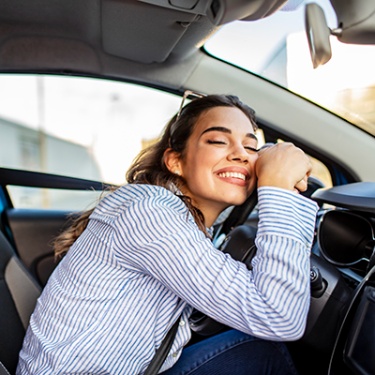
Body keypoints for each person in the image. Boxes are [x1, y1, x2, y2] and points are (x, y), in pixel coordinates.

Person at [17, 93, 318, 375]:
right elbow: (279, 317)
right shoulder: (150, 211)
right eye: (218, 141)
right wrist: (277, 187)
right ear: (176, 161)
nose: (241, 155)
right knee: (265, 352)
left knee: (257, 350)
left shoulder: (186, 219)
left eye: (251, 147)